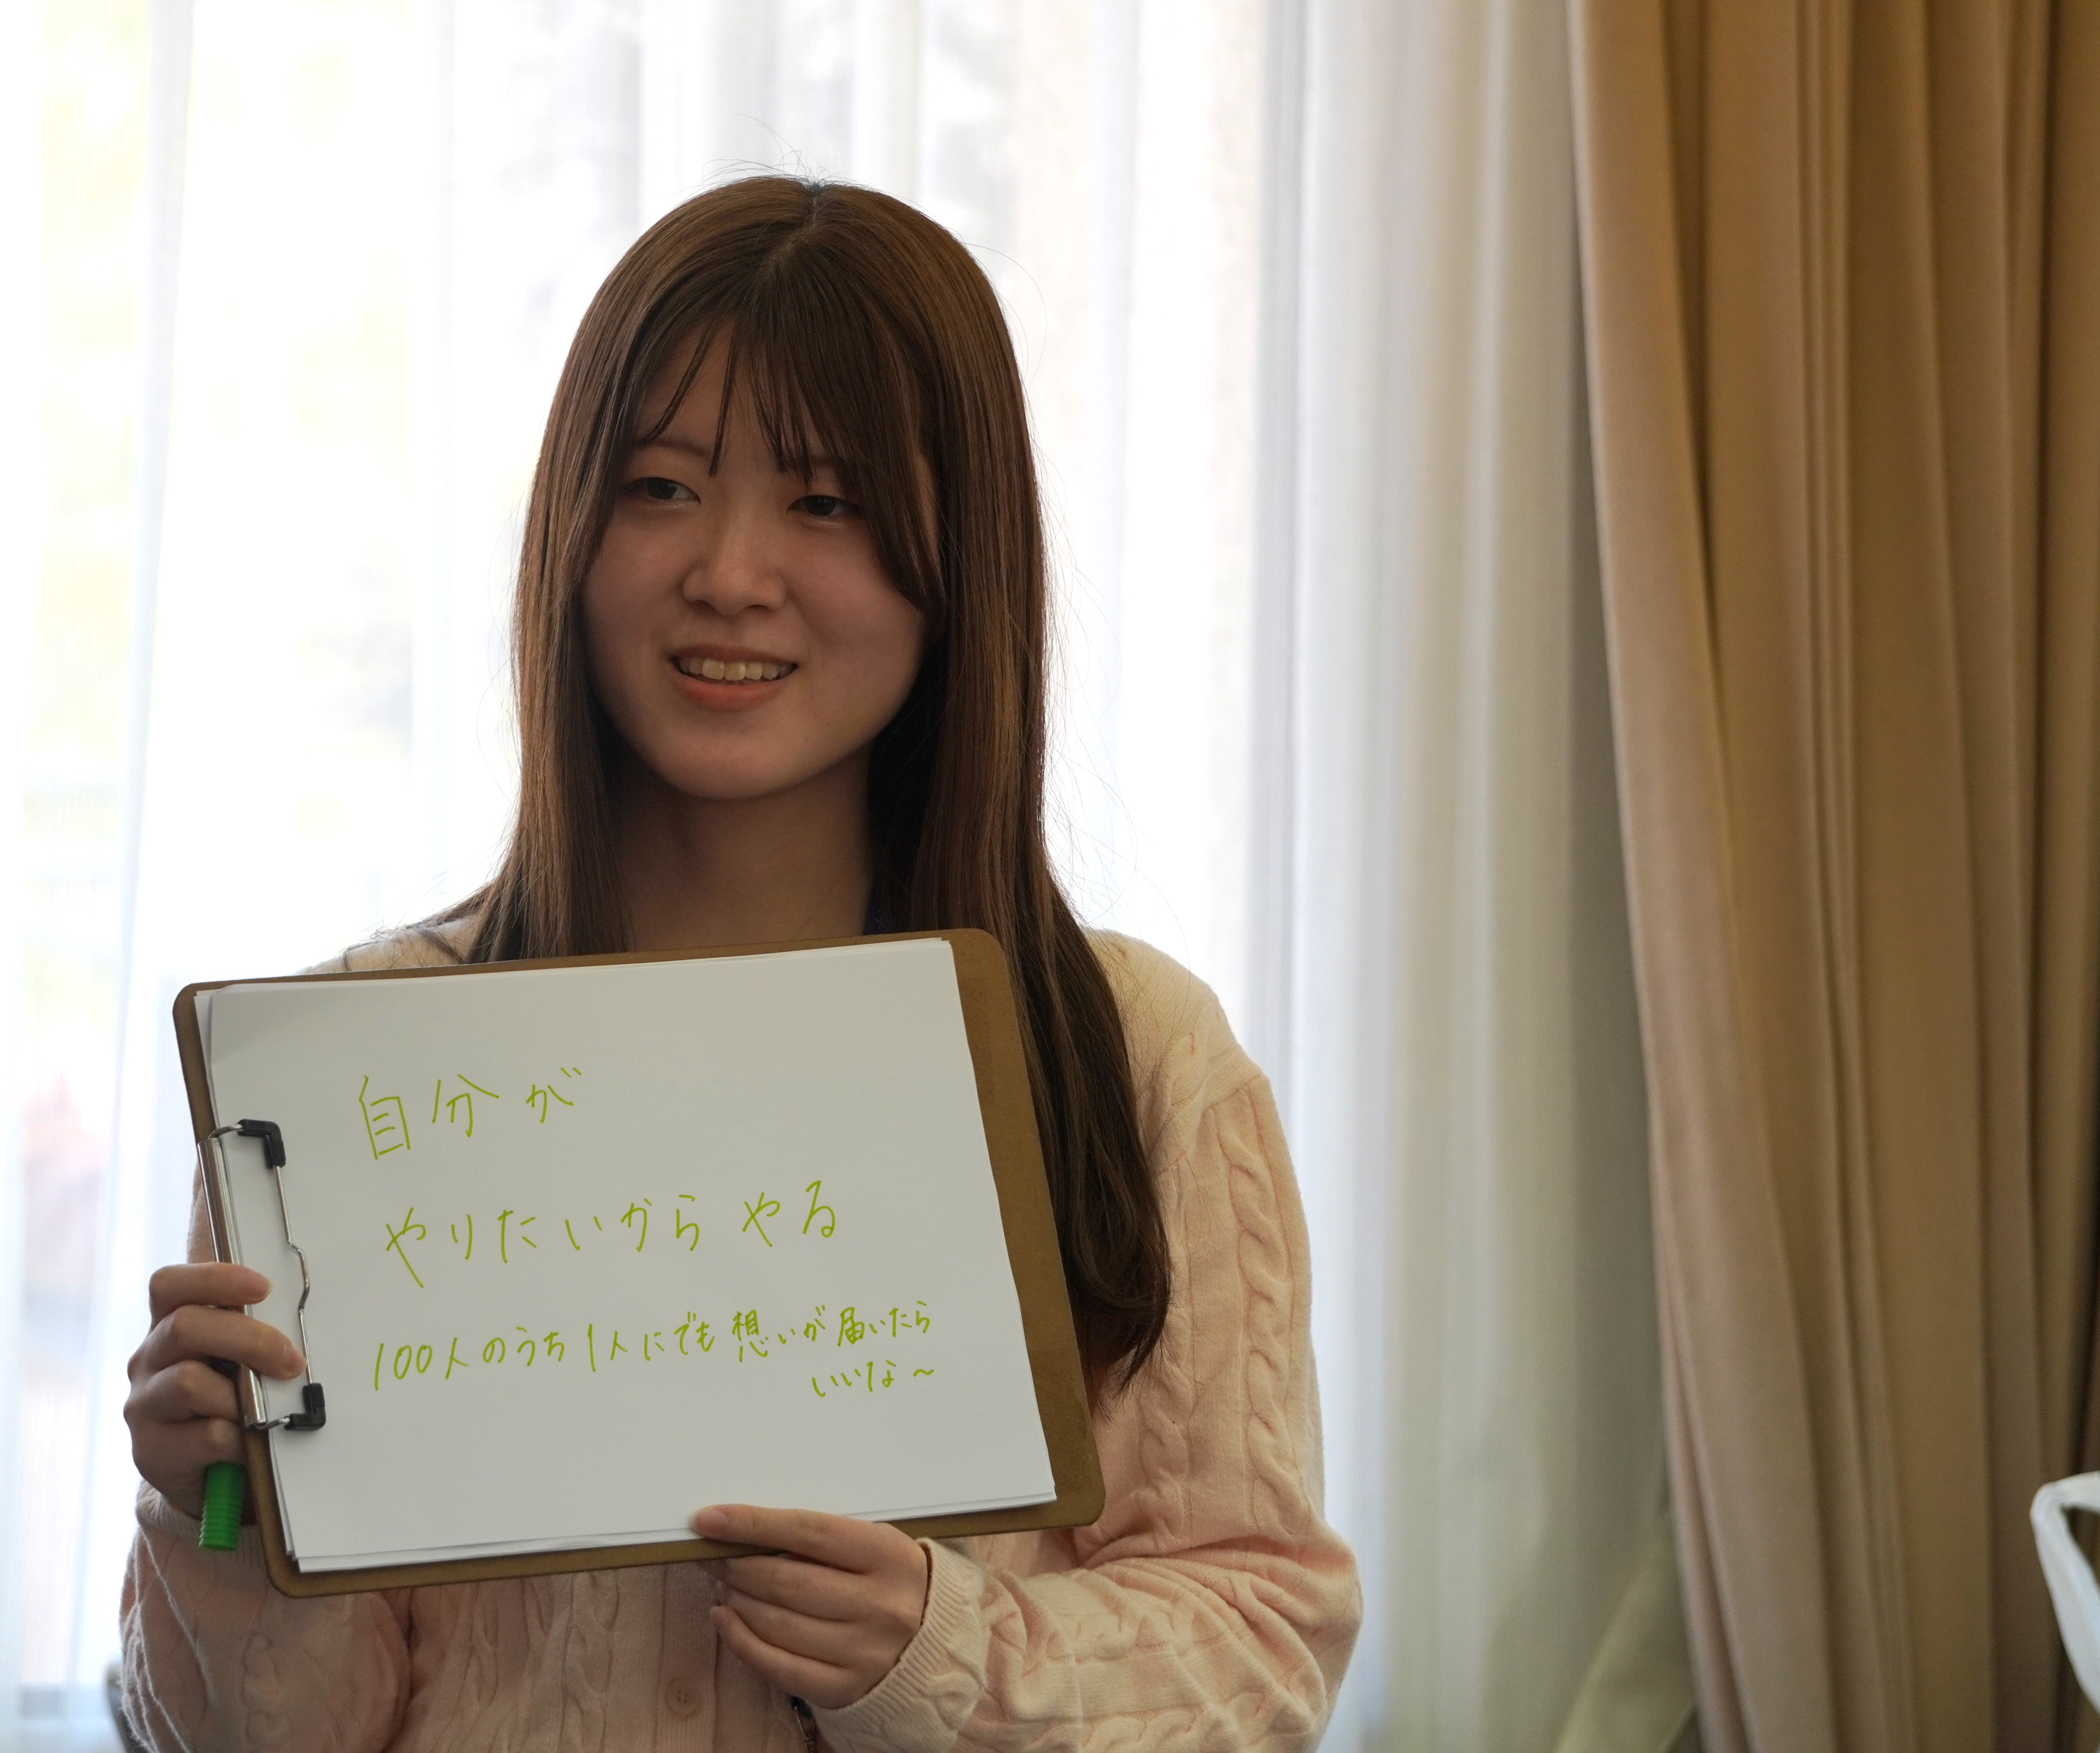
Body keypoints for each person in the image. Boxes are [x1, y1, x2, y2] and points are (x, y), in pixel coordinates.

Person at [118, 175, 1358, 1751]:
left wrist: (943, 1651)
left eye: (826, 502)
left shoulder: (1136, 1054)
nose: (729, 570)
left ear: (958, 561)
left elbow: (1263, 1649)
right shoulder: (352, 1068)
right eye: (660, 487)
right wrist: (212, 1514)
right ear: (572, 535)